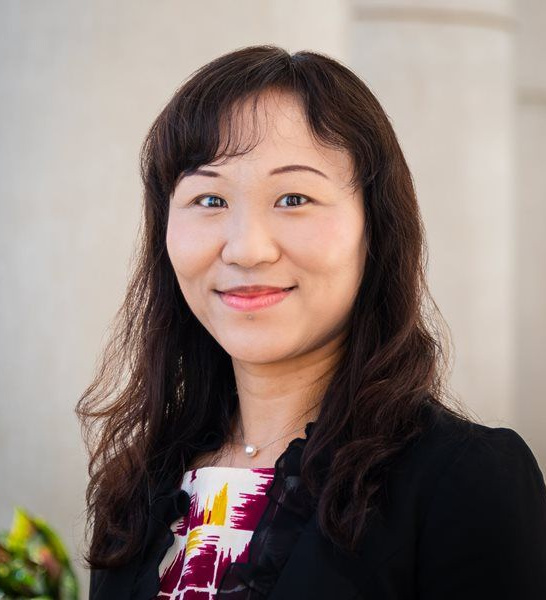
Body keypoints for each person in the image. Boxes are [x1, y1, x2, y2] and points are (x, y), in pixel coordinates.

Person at [76, 45, 546, 600]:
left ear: (375, 228)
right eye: (209, 199)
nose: (246, 249)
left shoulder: (465, 480)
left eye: (294, 198)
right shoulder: (137, 485)